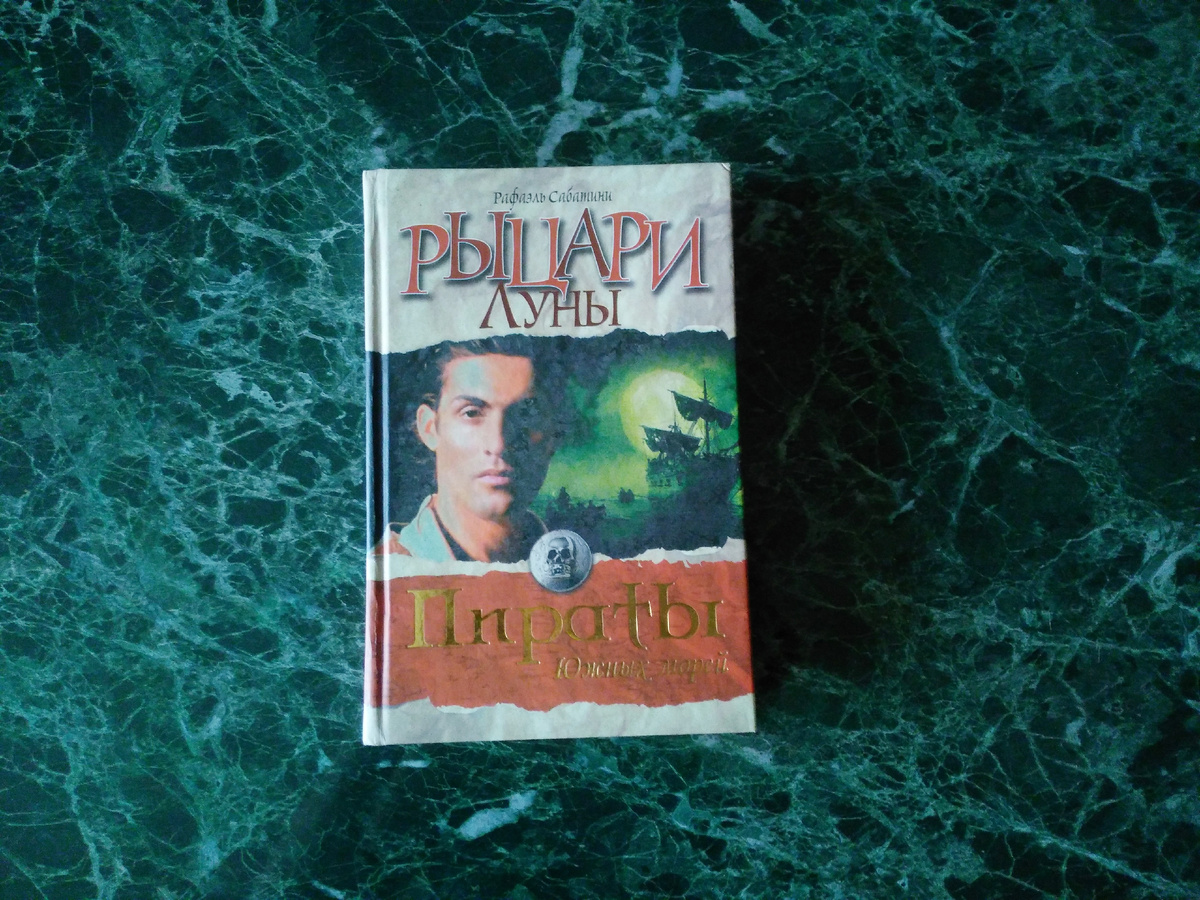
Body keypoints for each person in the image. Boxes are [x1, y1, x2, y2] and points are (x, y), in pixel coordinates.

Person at [379, 338, 558, 562]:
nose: (498, 444)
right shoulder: (387, 571)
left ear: (553, 433)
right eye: (471, 413)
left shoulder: (585, 570)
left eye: (525, 413)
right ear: (429, 428)